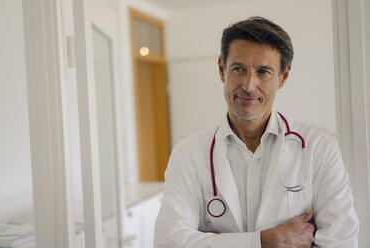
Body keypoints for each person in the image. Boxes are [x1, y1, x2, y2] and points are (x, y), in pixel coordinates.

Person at [154, 16, 359, 248]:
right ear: (222, 70)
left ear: (283, 76)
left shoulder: (320, 147)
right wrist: (262, 241)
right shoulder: (188, 154)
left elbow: (341, 240)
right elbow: (169, 242)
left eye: (263, 72)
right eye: (239, 69)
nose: (249, 85)